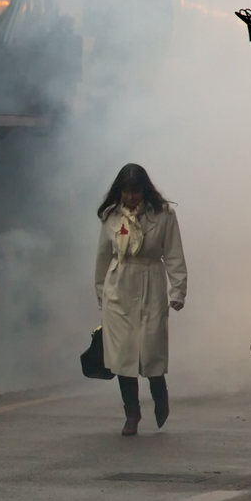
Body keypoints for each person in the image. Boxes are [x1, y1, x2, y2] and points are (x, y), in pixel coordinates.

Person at [94, 163, 187, 436]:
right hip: (119, 286)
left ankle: (160, 394)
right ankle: (131, 413)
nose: (131, 197)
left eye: (135, 192)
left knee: (151, 348)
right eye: (126, 191)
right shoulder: (111, 217)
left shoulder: (163, 215)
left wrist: (178, 291)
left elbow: (173, 254)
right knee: (124, 354)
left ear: (144, 191)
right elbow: (102, 257)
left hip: (151, 281)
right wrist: (102, 294)